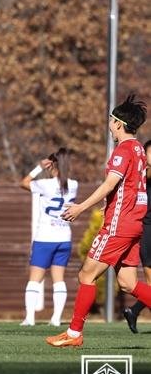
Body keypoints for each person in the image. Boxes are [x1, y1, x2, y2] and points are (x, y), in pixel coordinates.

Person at [47, 94, 150, 347]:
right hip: (135, 223)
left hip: (120, 224)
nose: (109, 125)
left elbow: (110, 183)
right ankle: (73, 334)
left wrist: (81, 206)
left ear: (118, 123)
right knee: (127, 283)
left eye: (110, 120)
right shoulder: (139, 149)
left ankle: (73, 334)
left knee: (86, 275)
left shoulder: (124, 149)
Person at [18, 148, 77, 326]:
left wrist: (38, 168)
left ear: (52, 165)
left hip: (45, 237)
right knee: (59, 279)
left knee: (35, 279)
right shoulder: (74, 185)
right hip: (64, 237)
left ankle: (29, 318)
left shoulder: (45, 184)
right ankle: (56, 319)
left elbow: (24, 183)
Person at [122, 139, 151, 333]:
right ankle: (133, 311)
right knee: (150, 280)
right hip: (148, 229)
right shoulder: (143, 173)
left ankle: (133, 310)